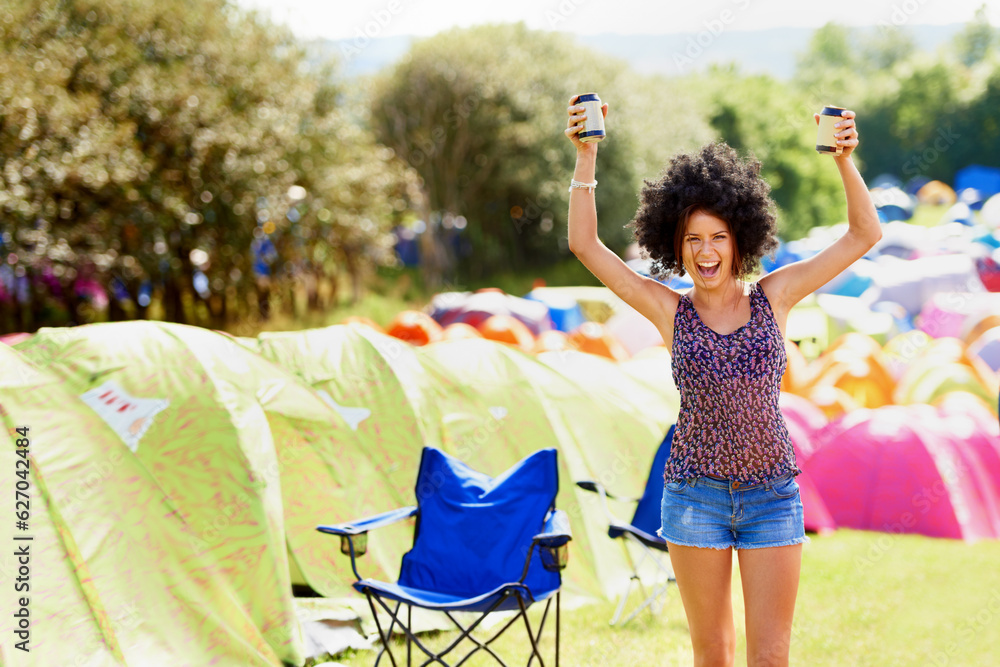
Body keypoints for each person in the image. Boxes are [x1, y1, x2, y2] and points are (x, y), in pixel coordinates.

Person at [565, 95, 880, 666]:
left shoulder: (775, 296)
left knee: (771, 657)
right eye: (692, 239)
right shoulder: (669, 310)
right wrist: (586, 156)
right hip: (693, 497)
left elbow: (864, 234)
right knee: (713, 656)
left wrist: (844, 158)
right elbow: (585, 247)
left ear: (740, 238)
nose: (705, 251)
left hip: (771, 496)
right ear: (675, 246)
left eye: (716, 237)